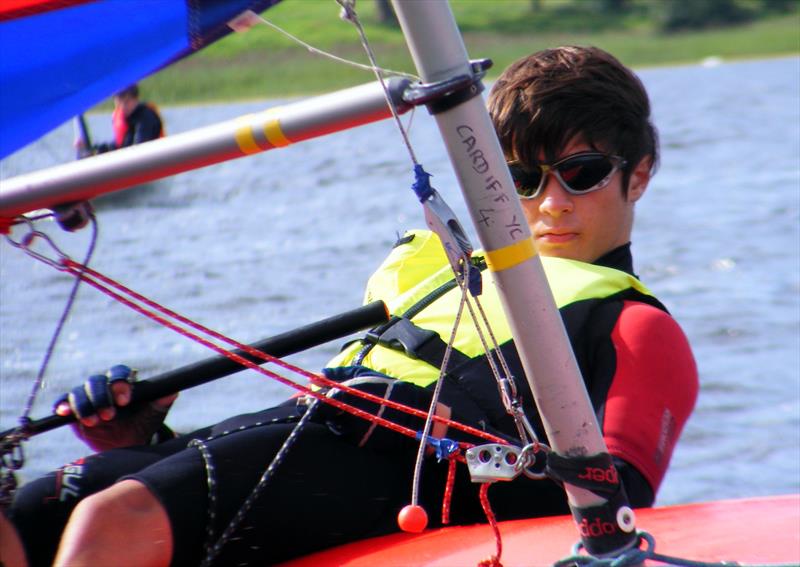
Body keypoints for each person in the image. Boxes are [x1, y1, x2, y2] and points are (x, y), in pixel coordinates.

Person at [0, 46, 698, 567]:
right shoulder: (442, 267)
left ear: (636, 173)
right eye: (521, 178)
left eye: (581, 174)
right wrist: (144, 439)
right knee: (29, 508)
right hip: (312, 432)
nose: (550, 204)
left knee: (111, 522)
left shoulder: (635, 327)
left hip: (401, 472)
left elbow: (616, 507)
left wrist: (487, 455)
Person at [76, 83, 164, 155]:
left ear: (135, 99)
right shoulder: (123, 118)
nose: (122, 106)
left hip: (150, 164)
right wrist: (92, 149)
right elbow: (118, 146)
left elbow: (139, 149)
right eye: (119, 102)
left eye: (126, 102)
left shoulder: (145, 117)